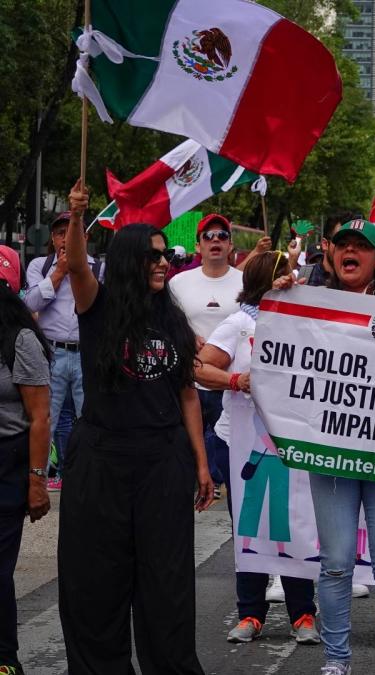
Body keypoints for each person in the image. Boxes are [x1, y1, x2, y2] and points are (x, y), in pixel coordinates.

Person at [57, 181, 213, 674]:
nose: (163, 263)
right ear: (128, 261)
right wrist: (77, 217)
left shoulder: (171, 317)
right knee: (96, 582)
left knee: (165, 583)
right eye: (152, 256)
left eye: (165, 255)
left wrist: (200, 463)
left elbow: (187, 391)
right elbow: (78, 264)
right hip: (101, 460)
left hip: (162, 462)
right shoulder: (96, 307)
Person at [275, 219, 375, 675]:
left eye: (362, 246)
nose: (351, 251)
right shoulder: (304, 300)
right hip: (331, 455)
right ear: (333, 255)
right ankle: (337, 661)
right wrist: (273, 299)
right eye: (344, 245)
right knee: (335, 563)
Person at [194, 251, 320, 646]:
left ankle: (303, 615)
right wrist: (236, 381)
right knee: (251, 527)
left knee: (295, 523)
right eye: (286, 274)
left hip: (294, 444)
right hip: (243, 443)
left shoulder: (305, 321)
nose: (294, 279)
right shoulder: (239, 323)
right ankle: (250, 613)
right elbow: (199, 368)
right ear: (268, 278)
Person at [0, 245, 52, 675]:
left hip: (7, 464)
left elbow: (39, 417)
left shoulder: (20, 339)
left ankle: (4, 659)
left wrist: (37, 480)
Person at [22, 213, 101, 491]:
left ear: (85, 237)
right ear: (52, 239)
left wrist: (79, 269)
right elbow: (30, 302)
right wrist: (58, 274)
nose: (66, 239)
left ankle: (88, 481)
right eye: (59, 233)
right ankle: (37, 481)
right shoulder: (40, 266)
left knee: (88, 418)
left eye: (73, 232)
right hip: (51, 353)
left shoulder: (99, 267)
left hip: (86, 354)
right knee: (45, 419)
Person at [169, 214, 243, 500]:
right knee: (188, 446)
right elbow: (169, 324)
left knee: (228, 450)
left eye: (222, 236)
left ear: (230, 245)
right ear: (197, 246)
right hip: (191, 381)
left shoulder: (245, 281)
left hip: (230, 383)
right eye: (208, 236)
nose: (215, 241)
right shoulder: (178, 283)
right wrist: (187, 337)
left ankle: (225, 487)